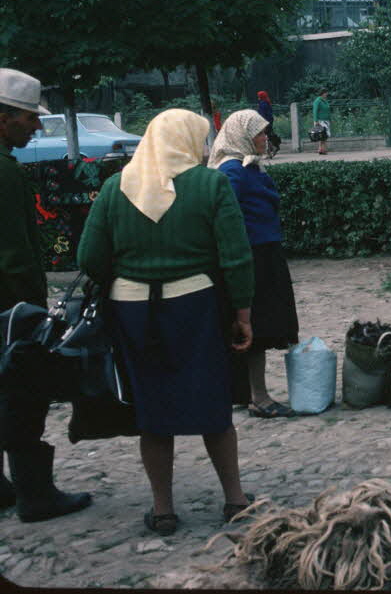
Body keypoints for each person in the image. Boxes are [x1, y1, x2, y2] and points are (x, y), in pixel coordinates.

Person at [78, 109, 255, 536]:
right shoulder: (210, 184)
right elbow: (236, 256)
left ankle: (163, 510)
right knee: (213, 404)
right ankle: (234, 501)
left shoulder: (115, 187)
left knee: (153, 410)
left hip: (133, 313)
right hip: (195, 306)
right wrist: (243, 314)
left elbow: (88, 259)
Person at [0, 68, 93, 522]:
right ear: (3, 119)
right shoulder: (6, 173)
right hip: (7, 308)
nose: (36, 126)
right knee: (22, 395)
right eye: (28, 118)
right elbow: (16, 256)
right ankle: (35, 495)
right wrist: (35, 314)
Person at [210, 110, 299, 418]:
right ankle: (258, 396)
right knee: (256, 327)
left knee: (257, 325)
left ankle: (245, 392)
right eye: (259, 133)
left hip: (264, 252)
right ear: (243, 135)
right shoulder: (233, 170)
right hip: (252, 257)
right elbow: (228, 219)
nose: (265, 138)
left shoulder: (248, 165)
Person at [255, 90, 281, 156]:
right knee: (268, 135)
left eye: (259, 96)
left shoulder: (262, 103)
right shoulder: (267, 102)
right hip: (269, 121)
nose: (258, 97)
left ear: (261, 96)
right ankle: (274, 147)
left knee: (263, 135)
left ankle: (271, 149)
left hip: (264, 121)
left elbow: (262, 114)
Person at [312, 90, 331, 155]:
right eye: (326, 93)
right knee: (323, 135)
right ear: (322, 93)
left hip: (326, 120)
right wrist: (315, 120)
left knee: (324, 135)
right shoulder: (318, 101)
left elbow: (327, 110)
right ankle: (323, 150)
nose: (327, 94)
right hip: (320, 121)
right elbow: (315, 111)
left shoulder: (325, 101)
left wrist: (329, 119)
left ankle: (320, 149)